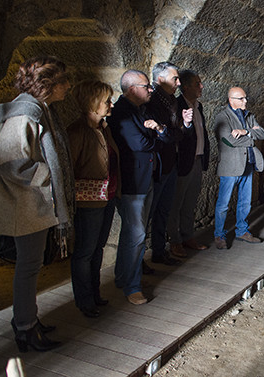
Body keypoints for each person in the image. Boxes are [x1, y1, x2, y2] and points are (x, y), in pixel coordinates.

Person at [0, 56, 75, 352]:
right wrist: (47, 177)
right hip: (27, 206)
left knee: (30, 265)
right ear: (47, 85)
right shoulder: (24, 114)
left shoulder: (40, 110)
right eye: (63, 81)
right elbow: (9, 162)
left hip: (34, 205)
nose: (67, 86)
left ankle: (27, 319)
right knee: (28, 266)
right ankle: (25, 329)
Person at [108, 70, 170, 305]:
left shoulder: (140, 110)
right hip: (133, 182)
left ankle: (123, 278)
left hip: (146, 178)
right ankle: (132, 287)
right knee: (136, 235)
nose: (151, 90)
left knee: (132, 235)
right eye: (147, 86)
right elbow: (140, 143)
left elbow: (159, 138)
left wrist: (157, 132)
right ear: (133, 89)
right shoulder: (122, 113)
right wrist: (155, 133)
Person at [67, 80, 120, 318]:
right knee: (84, 251)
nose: (110, 104)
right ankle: (84, 300)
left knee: (97, 248)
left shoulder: (104, 128)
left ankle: (95, 293)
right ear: (92, 103)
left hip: (106, 196)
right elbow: (69, 168)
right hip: (88, 200)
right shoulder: (78, 131)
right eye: (106, 100)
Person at [146, 62, 193, 265]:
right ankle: (139, 260)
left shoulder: (173, 101)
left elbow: (177, 134)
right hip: (157, 166)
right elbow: (164, 136)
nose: (178, 82)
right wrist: (173, 131)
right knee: (149, 214)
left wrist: (184, 125)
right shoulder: (151, 102)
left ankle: (159, 251)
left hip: (171, 163)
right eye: (175, 78)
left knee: (163, 211)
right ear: (159, 79)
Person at [213, 87, 264, 249]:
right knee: (223, 204)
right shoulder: (222, 117)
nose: (246, 101)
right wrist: (251, 136)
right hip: (230, 166)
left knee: (245, 202)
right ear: (232, 100)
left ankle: (242, 231)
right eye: (242, 99)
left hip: (247, 164)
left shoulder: (249, 115)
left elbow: (262, 133)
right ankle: (219, 235)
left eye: (245, 98)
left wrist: (245, 131)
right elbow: (229, 141)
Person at [166, 69, 210, 258]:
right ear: (185, 86)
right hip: (184, 162)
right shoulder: (177, 105)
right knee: (176, 204)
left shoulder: (198, 106)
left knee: (190, 203)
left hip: (197, 160)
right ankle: (174, 241)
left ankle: (187, 236)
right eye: (197, 83)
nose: (201, 86)